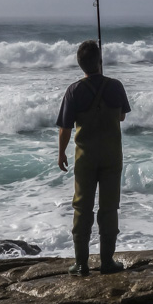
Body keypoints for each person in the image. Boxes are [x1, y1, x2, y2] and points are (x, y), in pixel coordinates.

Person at [56, 40, 131, 275]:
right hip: (111, 155)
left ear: (80, 64)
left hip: (85, 157)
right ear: (100, 61)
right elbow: (121, 117)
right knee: (109, 207)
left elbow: (65, 128)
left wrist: (61, 153)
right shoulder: (115, 86)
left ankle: (81, 264)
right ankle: (107, 262)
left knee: (82, 208)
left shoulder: (74, 90)